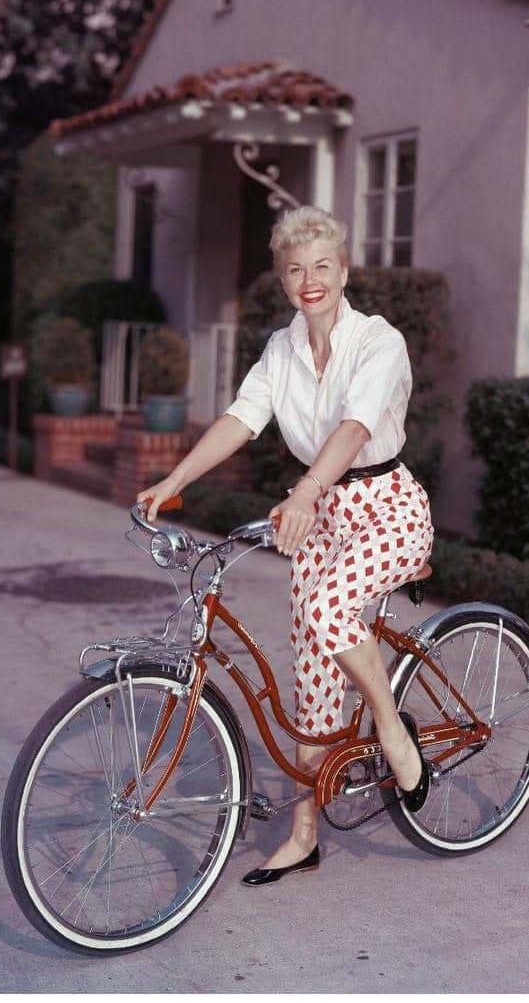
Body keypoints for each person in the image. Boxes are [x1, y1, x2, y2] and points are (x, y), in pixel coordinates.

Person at [137, 205, 434, 886]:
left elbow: (357, 428)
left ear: (344, 270)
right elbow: (243, 417)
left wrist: (301, 494)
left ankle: (392, 730)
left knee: (331, 613)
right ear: (282, 278)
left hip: (387, 507)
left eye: (322, 266)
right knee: (310, 668)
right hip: (323, 514)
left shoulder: (378, 340)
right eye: (295, 269)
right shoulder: (281, 348)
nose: (310, 280)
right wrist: (176, 478)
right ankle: (305, 831)